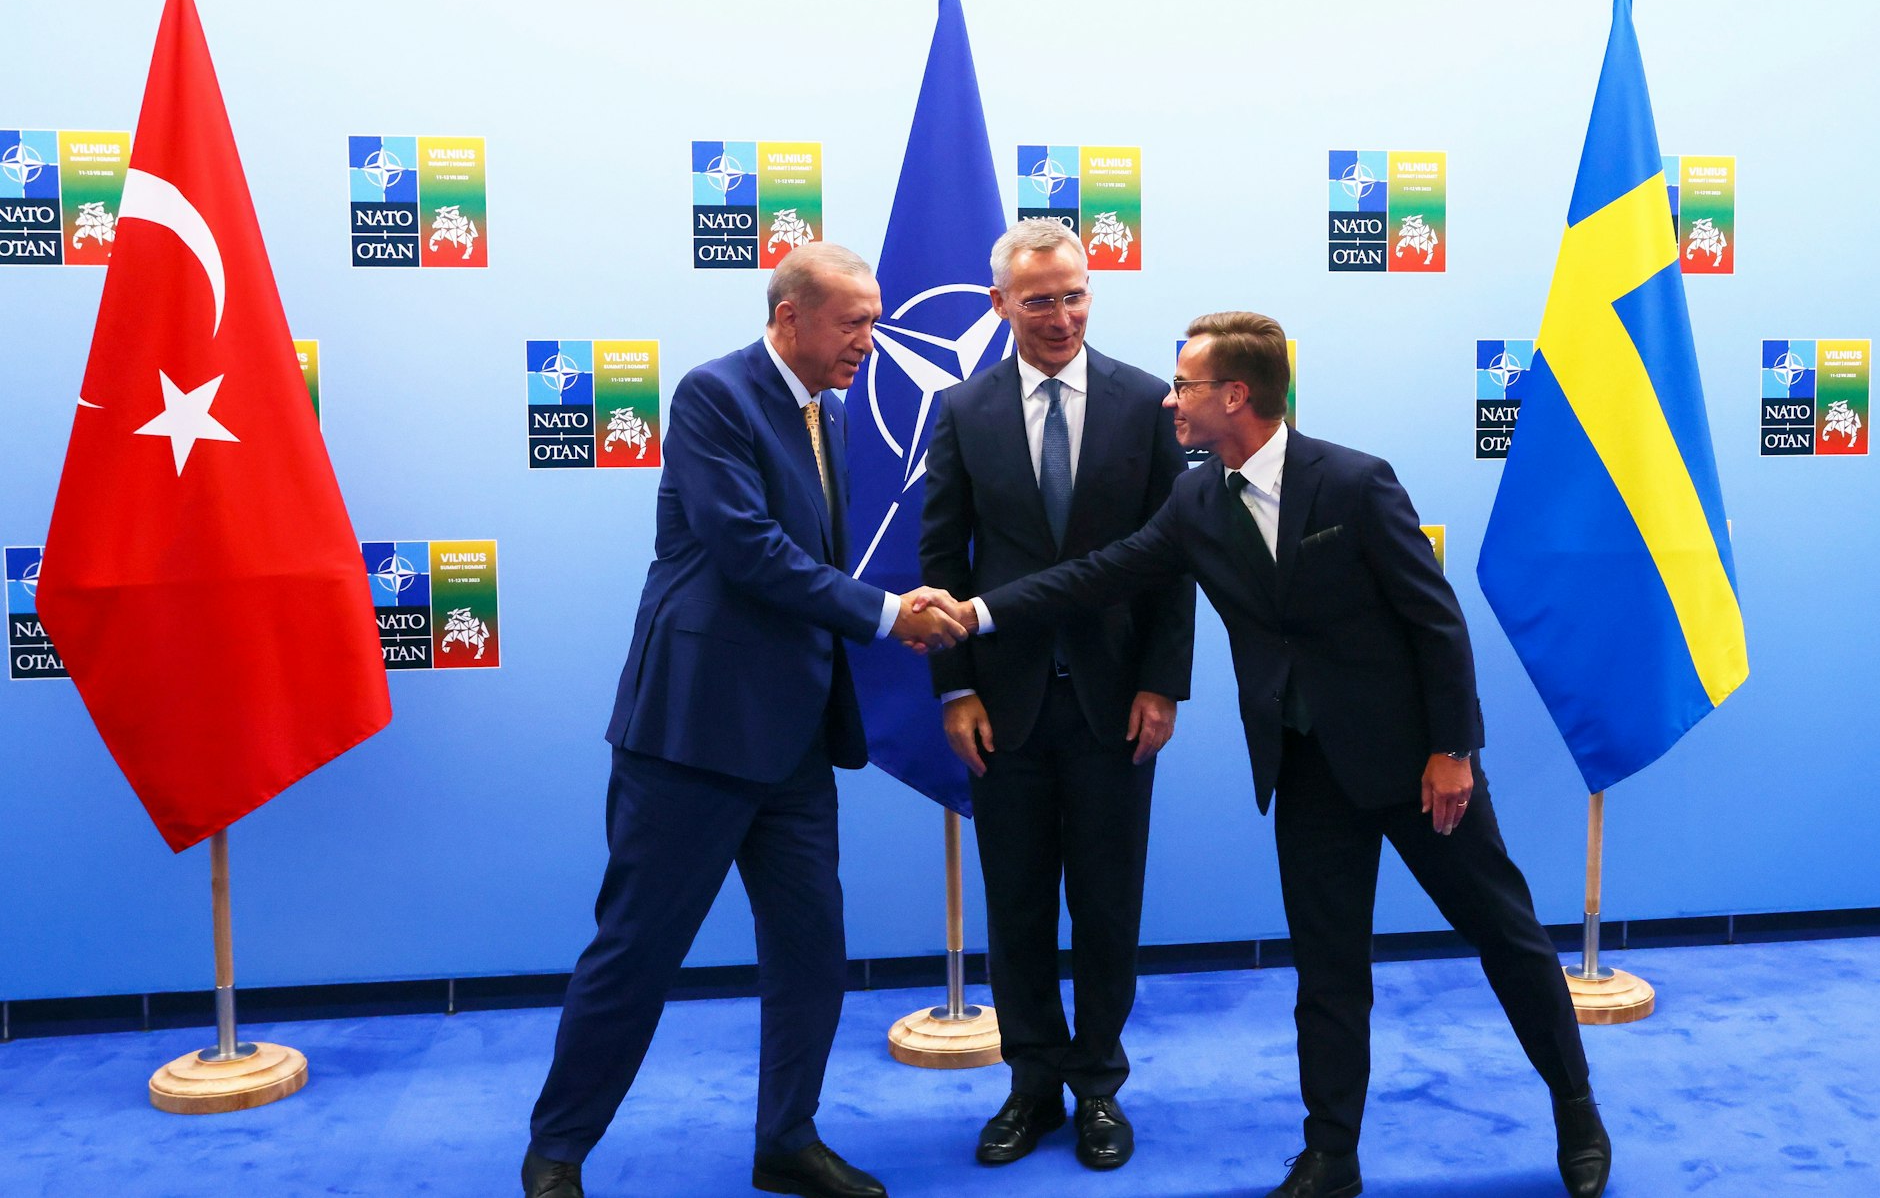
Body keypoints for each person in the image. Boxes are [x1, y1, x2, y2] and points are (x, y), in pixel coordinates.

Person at [925, 312, 1612, 1198]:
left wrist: (1453, 748)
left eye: (1187, 386)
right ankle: (1332, 1154)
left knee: (1507, 937)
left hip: (1416, 767)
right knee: (1327, 970)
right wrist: (976, 614)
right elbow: (1100, 573)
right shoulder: (1197, 498)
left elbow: (1436, 623)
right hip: (1305, 768)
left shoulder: (1356, 482)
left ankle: (1576, 1108)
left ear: (1236, 395)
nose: (1170, 400)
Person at [522, 244, 968, 1198]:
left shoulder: (833, 413)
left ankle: (786, 1139)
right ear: (788, 315)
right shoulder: (711, 394)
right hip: (694, 732)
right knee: (636, 951)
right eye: (852, 322)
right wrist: (890, 614)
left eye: (875, 321)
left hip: (796, 741)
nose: (869, 341)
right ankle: (557, 1151)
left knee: (811, 952)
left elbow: (808, 561)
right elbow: (751, 551)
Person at [917, 219, 1194, 1172]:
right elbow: (941, 561)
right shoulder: (961, 410)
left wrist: (1164, 683)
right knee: (1021, 903)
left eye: (1075, 294)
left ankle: (1099, 1087)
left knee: (1110, 905)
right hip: (1005, 706)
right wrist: (953, 688)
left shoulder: (1148, 402)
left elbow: (1174, 563)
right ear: (1000, 305)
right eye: (1039, 299)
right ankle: (1032, 1082)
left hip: (1119, 703)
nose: (1061, 314)